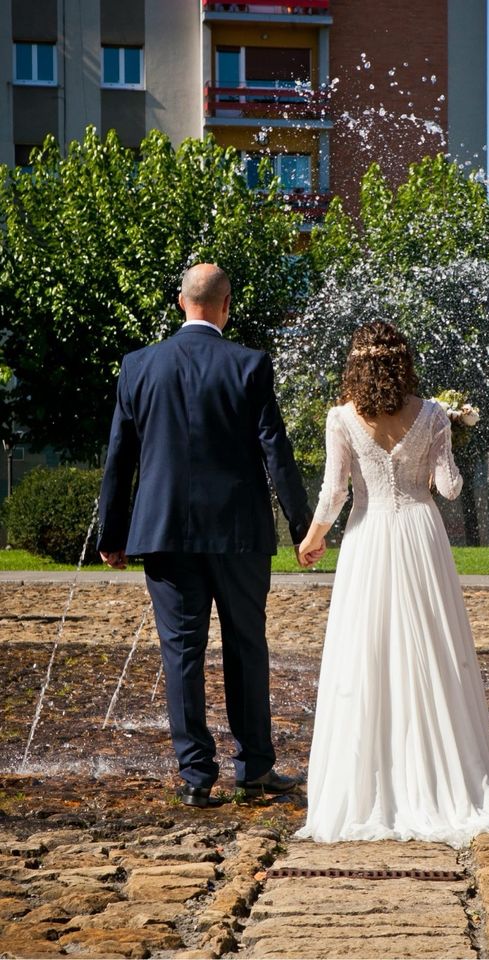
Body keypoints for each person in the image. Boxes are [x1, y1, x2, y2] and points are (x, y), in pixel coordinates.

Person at [296, 321, 489, 846]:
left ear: (356, 364)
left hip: (368, 538)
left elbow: (334, 494)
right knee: (434, 650)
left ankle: (369, 788)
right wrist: (446, 441)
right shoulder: (430, 413)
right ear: (404, 361)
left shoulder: (340, 418)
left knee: (368, 653)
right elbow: (449, 489)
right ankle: (446, 778)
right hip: (421, 536)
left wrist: (313, 539)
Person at [98, 263, 324, 807]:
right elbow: (276, 450)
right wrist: (304, 526)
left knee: (182, 653)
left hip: (162, 531)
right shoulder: (250, 365)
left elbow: (118, 457)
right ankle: (254, 770)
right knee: (247, 646)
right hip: (239, 534)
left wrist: (113, 530)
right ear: (226, 306)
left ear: (181, 302)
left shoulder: (138, 366)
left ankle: (196, 778)